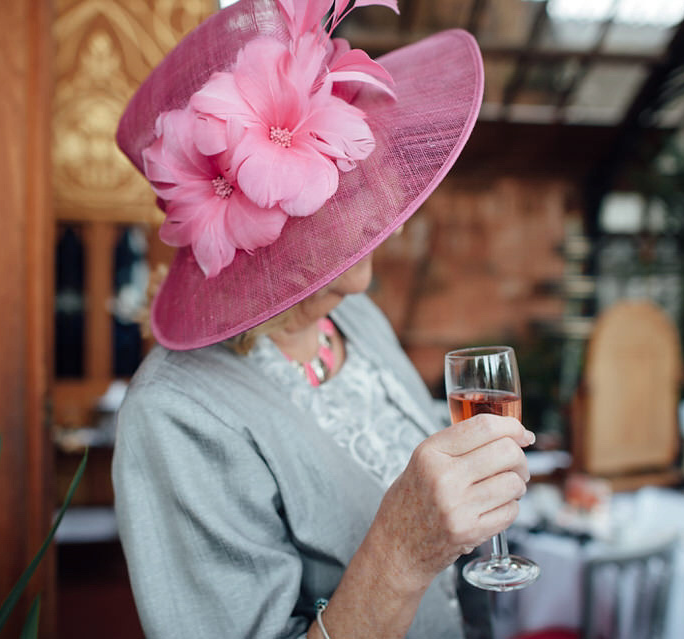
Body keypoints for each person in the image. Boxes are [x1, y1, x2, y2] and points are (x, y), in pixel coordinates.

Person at [111, 0, 535, 637]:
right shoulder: (175, 416)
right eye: (319, 253)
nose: (361, 279)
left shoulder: (354, 319)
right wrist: (399, 551)